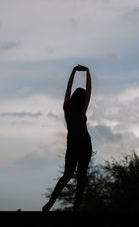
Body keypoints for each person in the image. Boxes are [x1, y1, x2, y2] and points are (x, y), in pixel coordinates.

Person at [42, 65, 92, 212]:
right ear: (83, 100)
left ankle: (51, 201)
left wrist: (73, 71)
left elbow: (68, 87)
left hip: (72, 144)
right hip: (84, 144)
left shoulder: (66, 107)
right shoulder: (83, 112)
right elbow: (89, 89)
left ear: (72, 98)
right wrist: (88, 71)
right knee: (81, 177)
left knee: (67, 175)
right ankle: (76, 207)